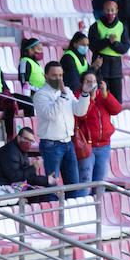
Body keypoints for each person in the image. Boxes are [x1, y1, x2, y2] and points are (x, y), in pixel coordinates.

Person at [32, 61, 90, 196]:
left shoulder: (67, 91)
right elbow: (51, 115)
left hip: (68, 142)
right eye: (54, 75)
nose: (58, 79)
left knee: (73, 185)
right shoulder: (41, 95)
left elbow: (79, 111)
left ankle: (71, 214)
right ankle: (52, 213)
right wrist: (63, 96)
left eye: (60, 75)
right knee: (52, 185)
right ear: (46, 76)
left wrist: (85, 94)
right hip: (51, 145)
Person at [74, 71, 118, 198]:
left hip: (104, 145)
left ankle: (98, 210)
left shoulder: (102, 96)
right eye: (88, 81)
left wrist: (105, 94)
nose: (91, 84)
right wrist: (91, 99)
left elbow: (116, 109)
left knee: (100, 183)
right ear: (82, 83)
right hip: (87, 146)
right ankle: (81, 209)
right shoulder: (78, 97)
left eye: (93, 81)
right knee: (85, 181)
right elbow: (81, 115)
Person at [0, 126, 53, 197]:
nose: (28, 143)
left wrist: (46, 180)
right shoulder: (10, 151)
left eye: (31, 141)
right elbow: (15, 178)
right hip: (1, 187)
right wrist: (33, 168)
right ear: (18, 137)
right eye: (26, 139)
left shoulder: (21, 151)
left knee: (45, 194)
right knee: (37, 196)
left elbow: (27, 177)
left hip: (12, 185)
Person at [87, 0, 130, 103]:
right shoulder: (96, 26)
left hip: (115, 67)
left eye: (112, 10)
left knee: (116, 100)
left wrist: (114, 43)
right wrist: (107, 41)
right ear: (103, 10)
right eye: (107, 10)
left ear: (116, 11)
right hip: (101, 65)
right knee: (99, 98)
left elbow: (125, 47)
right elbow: (93, 46)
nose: (110, 13)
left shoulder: (121, 26)